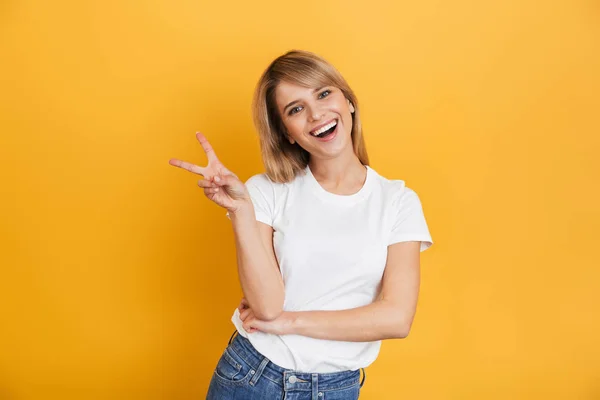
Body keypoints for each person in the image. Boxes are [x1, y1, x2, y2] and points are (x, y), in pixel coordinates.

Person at [169, 50, 433, 400]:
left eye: (323, 94)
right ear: (288, 134)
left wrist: (289, 323)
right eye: (296, 109)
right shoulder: (264, 191)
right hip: (251, 375)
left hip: (336, 387)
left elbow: (396, 318)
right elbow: (266, 308)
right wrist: (242, 212)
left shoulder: (398, 202)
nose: (316, 115)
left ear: (349, 102)